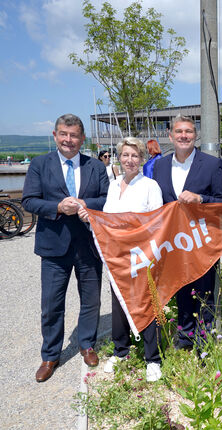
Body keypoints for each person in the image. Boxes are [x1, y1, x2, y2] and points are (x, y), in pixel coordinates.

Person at [22, 114, 109, 382]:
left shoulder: (96, 166)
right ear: (55, 135)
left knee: (91, 301)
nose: (68, 140)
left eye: (73, 135)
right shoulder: (39, 164)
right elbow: (29, 201)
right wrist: (57, 207)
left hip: (88, 245)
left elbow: (107, 199)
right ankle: (50, 355)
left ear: (83, 139)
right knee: (51, 304)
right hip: (53, 247)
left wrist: (87, 204)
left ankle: (86, 344)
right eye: (63, 134)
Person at [79, 137, 164, 382]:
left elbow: (156, 223)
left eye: (135, 156)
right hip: (116, 257)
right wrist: (90, 218)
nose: (130, 160)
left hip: (141, 256)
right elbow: (106, 217)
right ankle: (121, 351)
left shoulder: (150, 186)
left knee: (146, 304)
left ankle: (153, 359)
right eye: (125, 155)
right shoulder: (114, 185)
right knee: (118, 304)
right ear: (119, 158)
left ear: (142, 159)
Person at [153, 115, 222, 351]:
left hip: (203, 241)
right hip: (175, 242)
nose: (184, 136)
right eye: (179, 131)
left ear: (196, 136)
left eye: (189, 132)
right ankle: (185, 337)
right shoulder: (160, 166)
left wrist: (200, 198)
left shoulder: (212, 164)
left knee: (204, 290)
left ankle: (204, 341)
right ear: (170, 136)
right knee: (180, 287)